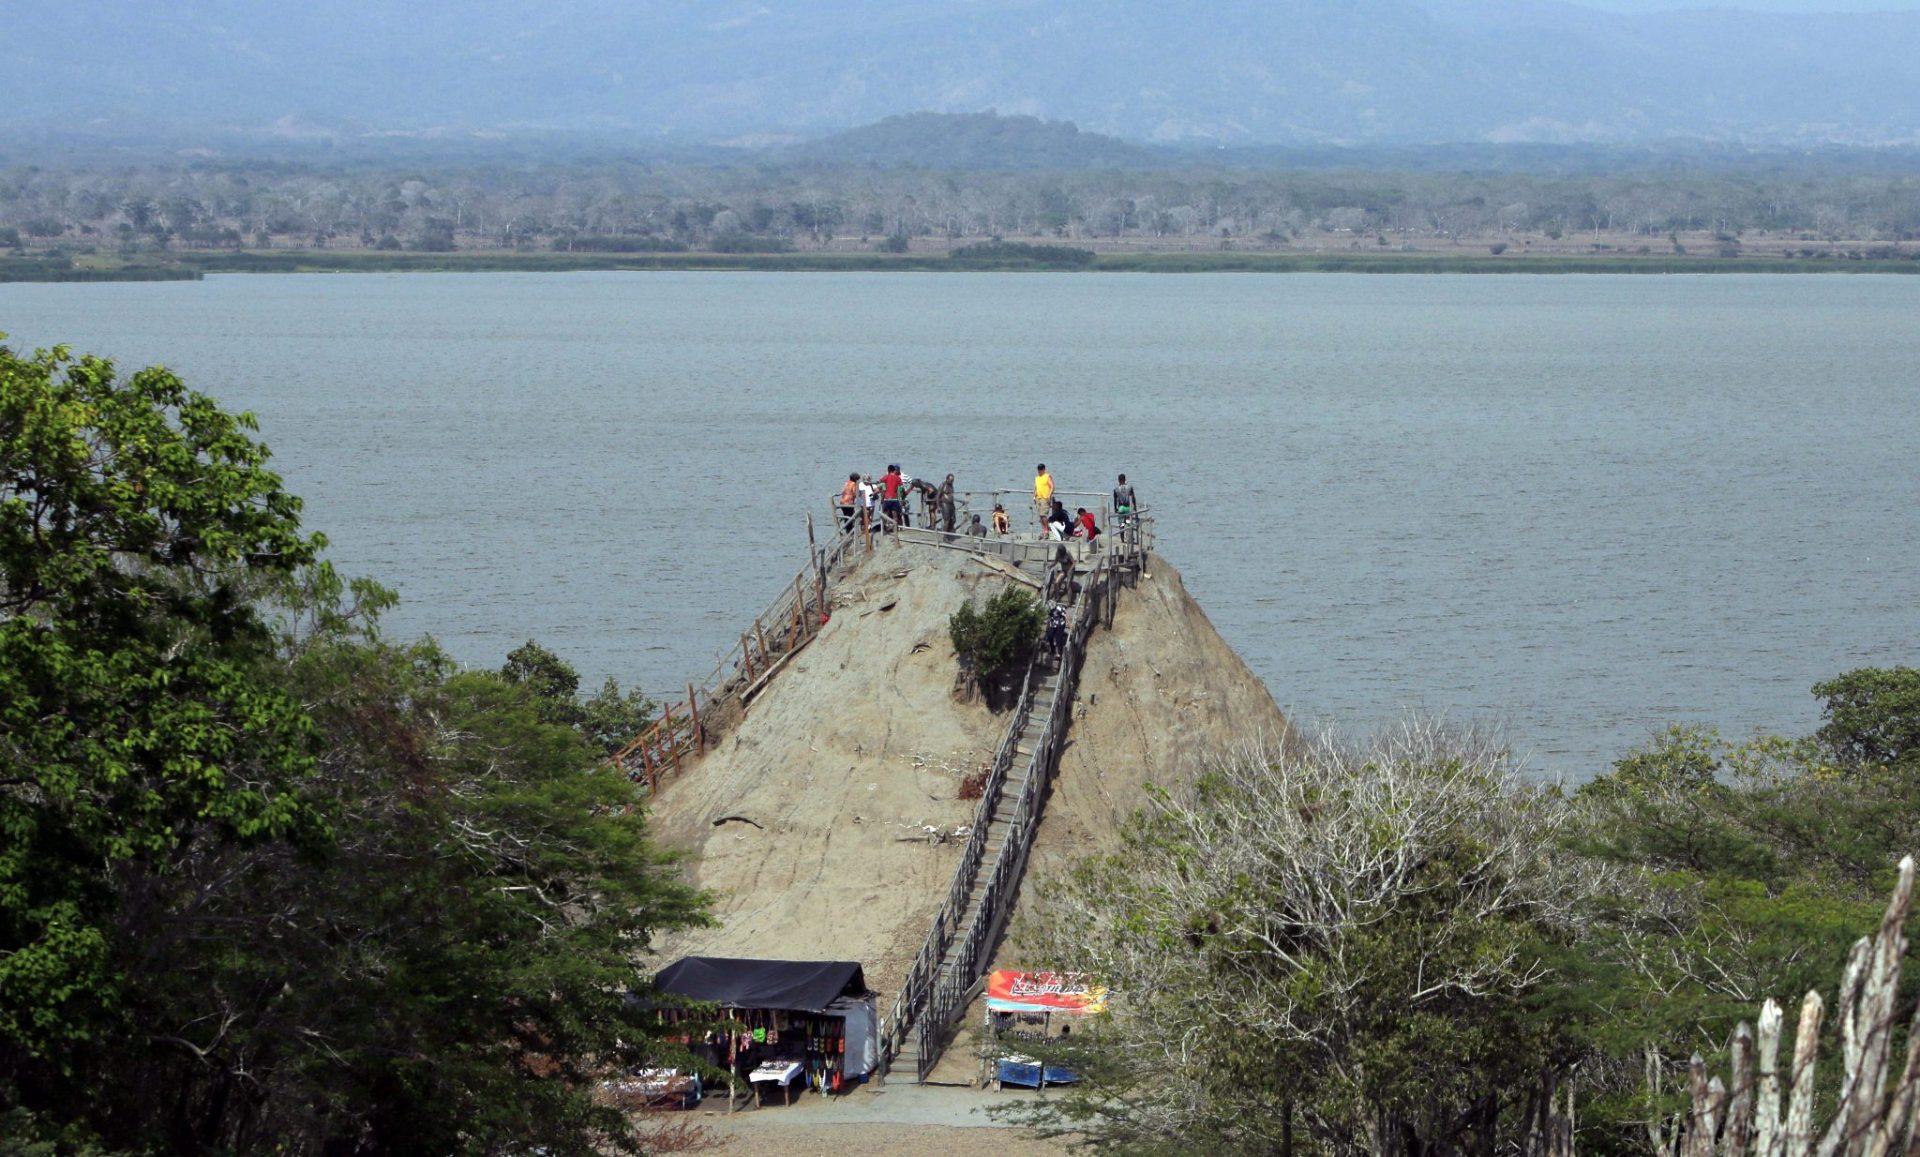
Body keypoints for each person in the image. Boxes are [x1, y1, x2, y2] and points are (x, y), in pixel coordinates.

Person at [880, 464, 904, 531]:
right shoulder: (898, 478)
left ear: (888, 470)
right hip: (895, 499)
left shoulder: (886, 477)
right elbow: (901, 485)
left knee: (886, 513)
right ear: (894, 470)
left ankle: (887, 527)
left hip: (887, 499)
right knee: (895, 514)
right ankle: (895, 527)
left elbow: (881, 480)